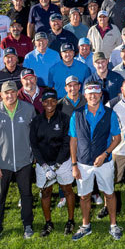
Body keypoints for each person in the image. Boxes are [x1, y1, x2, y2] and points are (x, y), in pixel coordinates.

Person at [0, 80, 37, 241]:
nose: (10, 95)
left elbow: (34, 137)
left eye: (12, 92)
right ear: (1, 95)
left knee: (26, 195)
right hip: (1, 164)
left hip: (24, 162)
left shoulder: (28, 109)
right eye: (6, 93)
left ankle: (27, 225)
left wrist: (32, 157)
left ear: (16, 93)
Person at [72, 84, 125, 241]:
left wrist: (105, 154)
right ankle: (85, 226)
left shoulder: (110, 114)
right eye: (90, 93)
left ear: (101, 95)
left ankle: (113, 225)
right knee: (84, 196)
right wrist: (74, 164)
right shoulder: (76, 115)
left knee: (109, 194)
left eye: (96, 93)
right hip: (83, 163)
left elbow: (117, 138)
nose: (93, 96)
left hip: (105, 162)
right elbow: (73, 141)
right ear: (85, 95)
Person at [33, 90, 77, 237]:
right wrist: (45, 166)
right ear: (42, 103)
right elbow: (34, 145)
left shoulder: (64, 119)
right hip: (43, 164)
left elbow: (67, 143)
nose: (50, 104)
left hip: (62, 162)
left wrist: (57, 165)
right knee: (45, 192)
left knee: (67, 190)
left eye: (53, 101)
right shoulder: (37, 121)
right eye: (46, 101)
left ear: (56, 102)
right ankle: (48, 222)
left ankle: (71, 220)